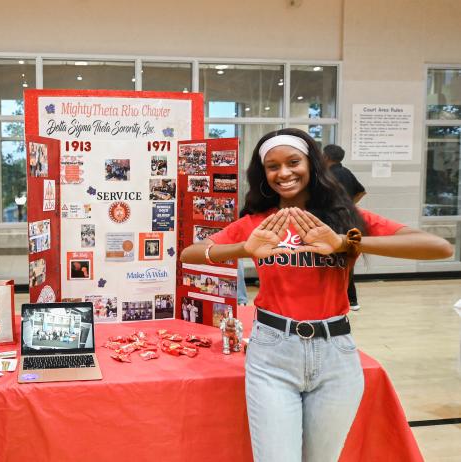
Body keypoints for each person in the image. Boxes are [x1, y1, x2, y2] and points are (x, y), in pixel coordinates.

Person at [180, 128, 452, 462]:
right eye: (273, 166)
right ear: (263, 174)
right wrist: (242, 248)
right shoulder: (258, 224)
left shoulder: (343, 219)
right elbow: (190, 254)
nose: (284, 173)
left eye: (293, 162)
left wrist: (345, 242)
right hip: (273, 353)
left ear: (311, 164)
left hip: (336, 354)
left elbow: (438, 247)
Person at [323, 144, 366, 311]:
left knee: (331, 260)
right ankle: (352, 300)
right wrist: (349, 206)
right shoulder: (347, 172)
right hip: (348, 220)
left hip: (332, 222)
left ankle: (334, 299)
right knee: (347, 260)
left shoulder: (326, 176)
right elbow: (361, 192)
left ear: (325, 157)